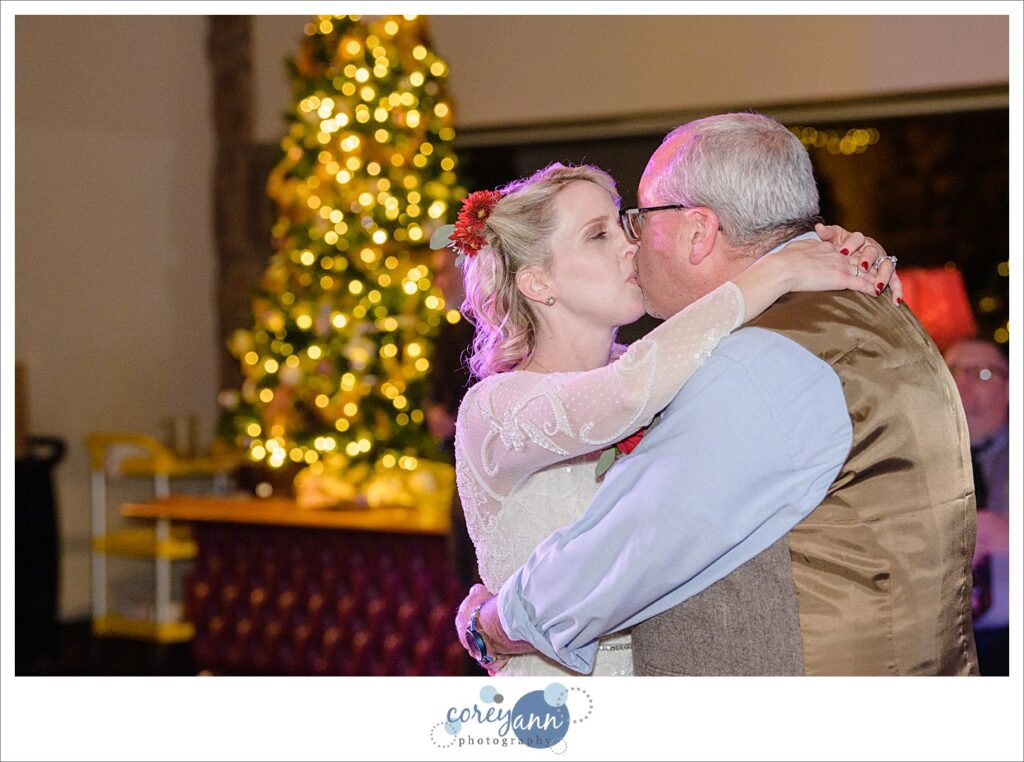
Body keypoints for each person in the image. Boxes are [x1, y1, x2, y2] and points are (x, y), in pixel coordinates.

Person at [457, 113, 979, 677]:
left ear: (701, 230)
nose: (632, 245)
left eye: (631, 221)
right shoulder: (503, 405)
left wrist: (494, 625)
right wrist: (776, 268)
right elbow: (629, 393)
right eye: (601, 233)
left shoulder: (723, 364)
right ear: (537, 282)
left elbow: (644, 532)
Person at [945, 337, 1010, 676]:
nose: (963, 381)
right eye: (953, 369)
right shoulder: (909, 460)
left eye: (982, 373)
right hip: (934, 647)